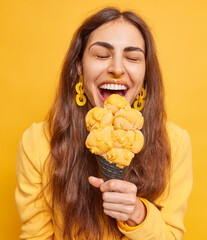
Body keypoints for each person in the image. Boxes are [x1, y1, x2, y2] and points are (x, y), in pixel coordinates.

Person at [15, 7, 193, 240]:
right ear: (79, 66)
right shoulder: (38, 141)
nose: (117, 69)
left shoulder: (175, 142)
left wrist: (137, 214)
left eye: (132, 58)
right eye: (101, 55)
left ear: (145, 74)